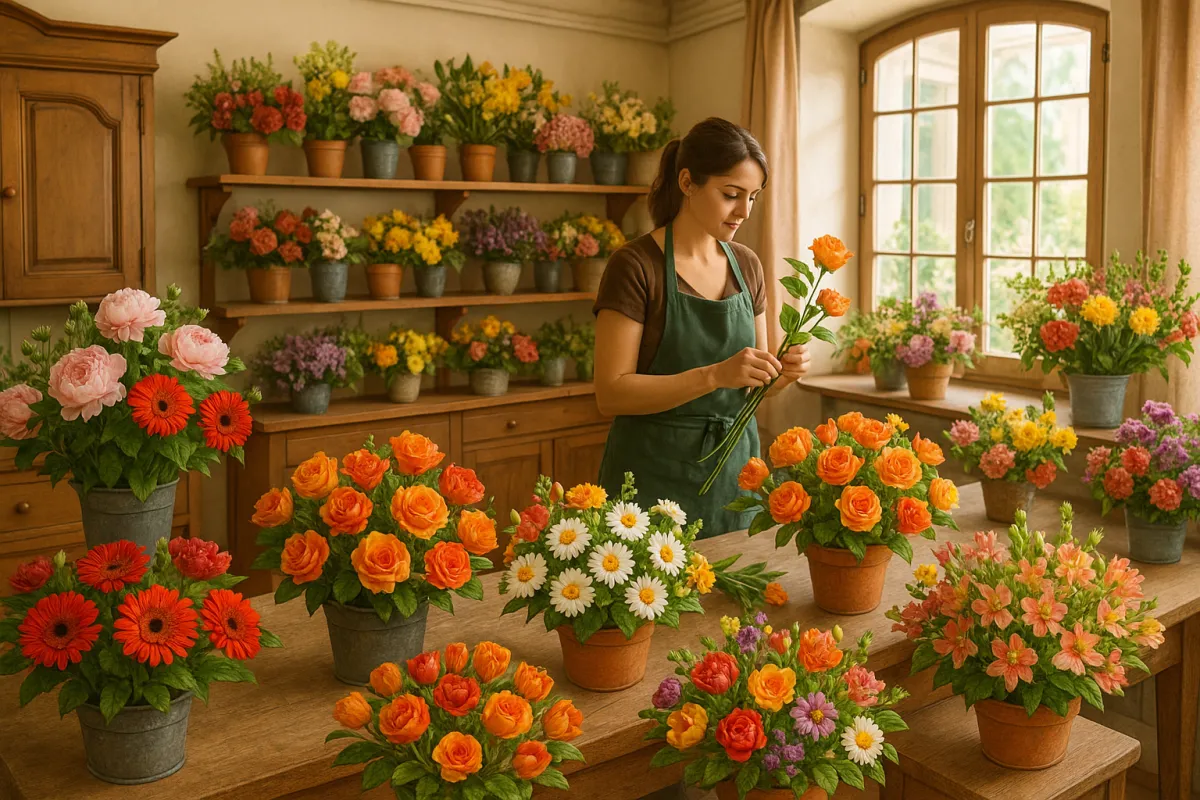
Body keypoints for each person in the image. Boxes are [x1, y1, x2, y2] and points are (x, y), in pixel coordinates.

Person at [592, 117, 810, 537]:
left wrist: (780, 374)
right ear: (688, 182)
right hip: (652, 480)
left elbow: (749, 391)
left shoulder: (747, 265)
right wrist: (714, 375)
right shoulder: (636, 266)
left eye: (753, 197)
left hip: (733, 478)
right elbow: (611, 393)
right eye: (731, 195)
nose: (744, 211)